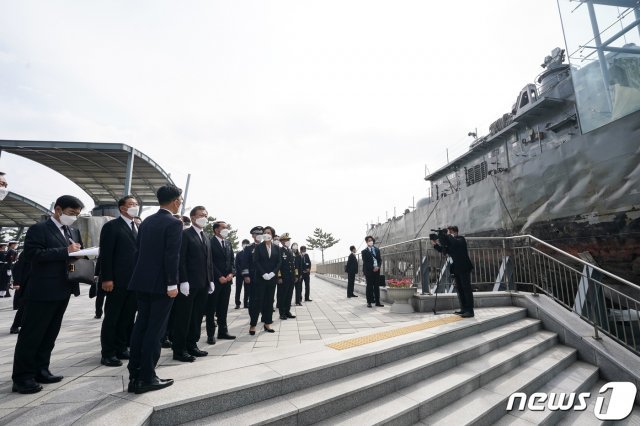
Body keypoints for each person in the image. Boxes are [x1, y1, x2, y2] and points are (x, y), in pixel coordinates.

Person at [11, 195, 85, 394]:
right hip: (42, 290)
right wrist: (65, 251)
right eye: (71, 213)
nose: (74, 217)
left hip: (64, 288)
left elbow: (73, 256)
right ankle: (22, 377)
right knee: (32, 334)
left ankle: (41, 369)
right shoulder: (39, 229)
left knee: (50, 333)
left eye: (77, 214)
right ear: (58, 209)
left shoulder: (73, 231)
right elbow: (33, 255)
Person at [127, 184, 182, 394]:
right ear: (175, 201)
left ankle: (135, 375)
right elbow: (172, 256)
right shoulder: (174, 223)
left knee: (141, 327)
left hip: (142, 282)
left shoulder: (147, 221)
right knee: (155, 331)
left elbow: (138, 252)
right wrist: (172, 284)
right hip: (161, 285)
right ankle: (147, 376)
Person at [98, 195, 140, 367]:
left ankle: (122, 347)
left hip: (134, 281)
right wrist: (107, 278)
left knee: (128, 317)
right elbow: (106, 254)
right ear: (122, 208)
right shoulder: (112, 226)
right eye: (131, 204)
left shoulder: (137, 227)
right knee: (113, 317)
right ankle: (108, 352)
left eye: (136, 204)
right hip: (116, 281)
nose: (135, 207)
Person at [172, 206, 213, 362]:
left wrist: (211, 280)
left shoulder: (205, 236)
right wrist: (183, 280)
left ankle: (192, 344)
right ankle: (179, 349)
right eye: (201, 215)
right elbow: (180, 260)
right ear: (193, 217)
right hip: (188, 284)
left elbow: (208, 261)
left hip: (203, 283)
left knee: (196, 316)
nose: (204, 217)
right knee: (184, 317)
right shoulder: (185, 235)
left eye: (206, 215)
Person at [431, 226, 475, 318]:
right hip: (456, 269)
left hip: (464, 267)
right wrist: (435, 244)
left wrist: (448, 235)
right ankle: (463, 309)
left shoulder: (461, 239)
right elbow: (443, 250)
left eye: (450, 232)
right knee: (460, 290)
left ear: (455, 232)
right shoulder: (451, 244)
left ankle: (470, 310)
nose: (449, 234)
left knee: (466, 289)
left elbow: (455, 243)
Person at [249, 226, 281, 335]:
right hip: (261, 278)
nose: (266, 234)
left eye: (269, 232)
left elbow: (279, 262)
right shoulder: (259, 247)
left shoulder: (277, 248)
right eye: (265, 232)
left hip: (272, 279)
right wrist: (263, 273)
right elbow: (256, 261)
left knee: (269, 301)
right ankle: (253, 325)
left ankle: (268, 323)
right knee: (257, 302)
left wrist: (273, 273)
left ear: (272, 235)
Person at [209, 221, 236, 342]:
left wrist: (231, 273)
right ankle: (210, 334)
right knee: (211, 307)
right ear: (216, 230)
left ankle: (223, 331)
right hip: (215, 280)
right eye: (224, 227)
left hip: (227, 281)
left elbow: (232, 262)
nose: (226, 229)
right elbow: (209, 262)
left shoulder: (228, 243)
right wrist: (219, 276)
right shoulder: (210, 242)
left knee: (223, 307)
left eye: (227, 227)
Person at [240, 226, 263, 315]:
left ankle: (264, 315)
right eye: (257, 234)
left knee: (264, 297)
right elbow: (244, 262)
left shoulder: (266, 246)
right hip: (253, 277)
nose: (259, 235)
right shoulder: (249, 248)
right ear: (253, 236)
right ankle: (253, 314)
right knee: (253, 297)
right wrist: (246, 275)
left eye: (261, 234)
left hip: (265, 276)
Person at [277, 233, 297, 320]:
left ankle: (287, 311)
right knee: (283, 296)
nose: (288, 241)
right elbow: (277, 266)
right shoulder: (279, 251)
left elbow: (294, 265)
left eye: (288, 240)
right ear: (281, 241)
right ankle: (282, 313)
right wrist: (279, 277)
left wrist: (296, 275)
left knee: (289, 295)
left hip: (291, 277)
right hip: (283, 278)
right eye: (286, 240)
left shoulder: (290, 251)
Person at [361, 236, 384, 308]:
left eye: (371, 240)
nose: (370, 241)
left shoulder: (377, 250)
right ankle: (369, 302)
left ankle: (377, 302)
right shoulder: (364, 252)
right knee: (369, 287)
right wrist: (373, 268)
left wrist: (378, 267)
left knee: (376, 287)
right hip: (369, 271)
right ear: (366, 242)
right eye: (369, 240)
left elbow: (379, 260)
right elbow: (366, 262)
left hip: (377, 271)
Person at [234, 239, 250, 309]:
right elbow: (236, 264)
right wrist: (241, 272)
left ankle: (246, 303)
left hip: (247, 274)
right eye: (244, 243)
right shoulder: (239, 253)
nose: (245, 245)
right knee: (238, 289)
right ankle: (237, 303)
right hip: (239, 275)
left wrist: (246, 273)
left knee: (247, 289)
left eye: (247, 243)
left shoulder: (249, 253)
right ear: (241, 244)